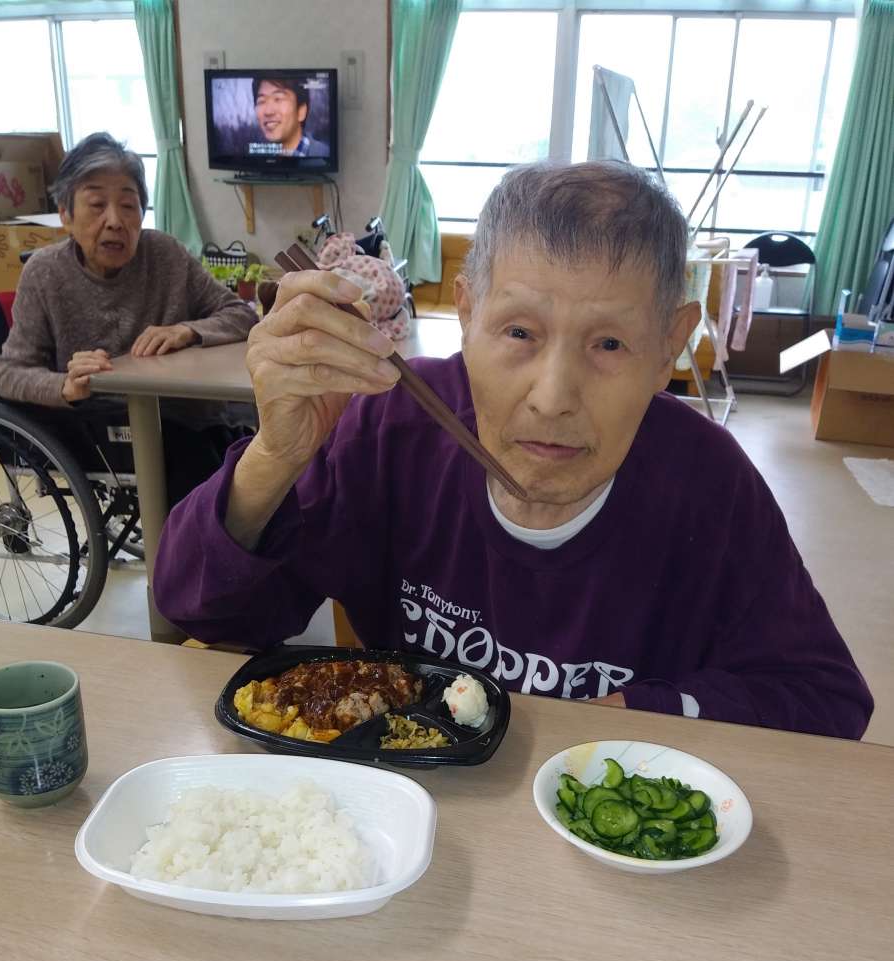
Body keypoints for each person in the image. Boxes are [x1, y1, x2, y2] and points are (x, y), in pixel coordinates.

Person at [153, 162, 873, 739]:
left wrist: (643, 713)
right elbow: (202, 611)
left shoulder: (708, 483)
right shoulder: (391, 426)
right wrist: (276, 455)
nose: (553, 398)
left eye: (609, 344)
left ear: (669, 347)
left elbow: (825, 699)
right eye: (519, 332)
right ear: (467, 314)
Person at [0, 131, 258, 504]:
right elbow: (7, 372)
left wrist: (188, 330)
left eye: (128, 205)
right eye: (96, 205)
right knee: (208, 483)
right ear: (66, 215)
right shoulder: (45, 273)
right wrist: (64, 385)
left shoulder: (165, 254)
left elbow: (240, 314)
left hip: (194, 416)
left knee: (260, 464)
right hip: (106, 431)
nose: (115, 221)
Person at [253, 76, 330, 158]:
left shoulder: (324, 155)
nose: (268, 112)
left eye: (278, 99)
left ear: (301, 111)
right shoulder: (257, 159)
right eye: (261, 101)